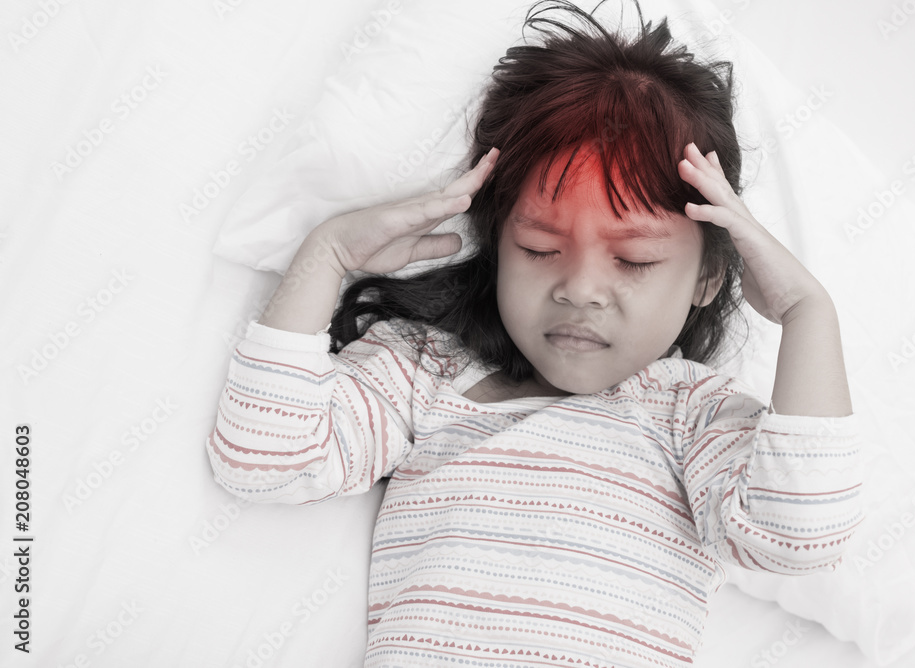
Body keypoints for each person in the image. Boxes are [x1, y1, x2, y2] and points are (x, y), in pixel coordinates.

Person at [205, 1, 863, 665]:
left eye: (634, 259)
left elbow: (797, 537)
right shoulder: (425, 372)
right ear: (497, 248)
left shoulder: (692, 420)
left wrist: (808, 311)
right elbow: (263, 461)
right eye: (540, 248)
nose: (579, 288)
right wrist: (326, 256)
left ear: (708, 278)